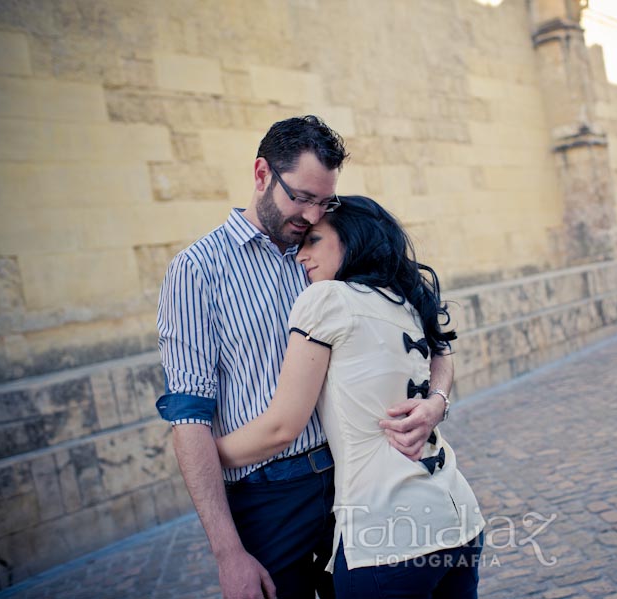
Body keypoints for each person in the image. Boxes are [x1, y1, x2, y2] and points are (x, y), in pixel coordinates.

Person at [156, 116, 452, 599]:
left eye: (324, 201)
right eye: (301, 197)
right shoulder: (197, 271)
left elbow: (434, 340)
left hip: (354, 483)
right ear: (261, 174)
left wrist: (435, 401)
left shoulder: (333, 251)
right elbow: (189, 416)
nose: (313, 215)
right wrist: (228, 554)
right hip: (270, 496)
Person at [214, 195, 486, 599]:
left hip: (387, 537)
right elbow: (442, 351)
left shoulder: (326, 299)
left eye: (314, 241)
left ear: (352, 240)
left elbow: (282, 427)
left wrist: (204, 453)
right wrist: (437, 401)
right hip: (458, 518)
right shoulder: (407, 300)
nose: (300, 256)